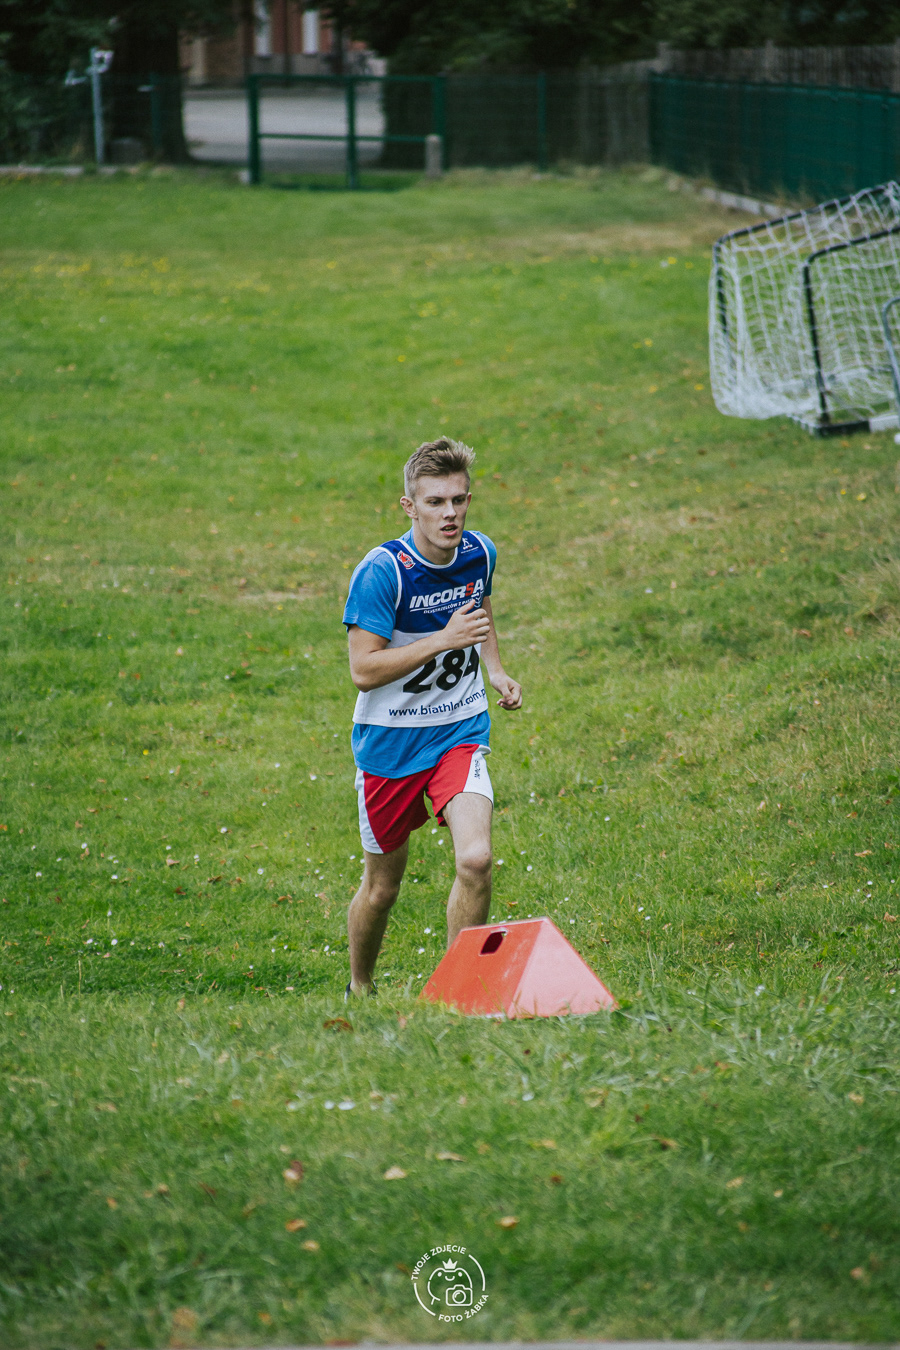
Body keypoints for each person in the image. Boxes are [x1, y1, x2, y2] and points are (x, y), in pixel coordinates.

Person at [342, 437, 522, 996]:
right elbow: (363, 670)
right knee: (382, 889)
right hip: (390, 745)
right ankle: (360, 986)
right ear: (409, 506)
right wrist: (443, 639)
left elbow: (479, 605)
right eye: (436, 502)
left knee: (477, 859)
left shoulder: (479, 552)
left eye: (459, 500)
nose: (450, 514)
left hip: (458, 729)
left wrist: (494, 669)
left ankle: (458, 993)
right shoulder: (382, 573)